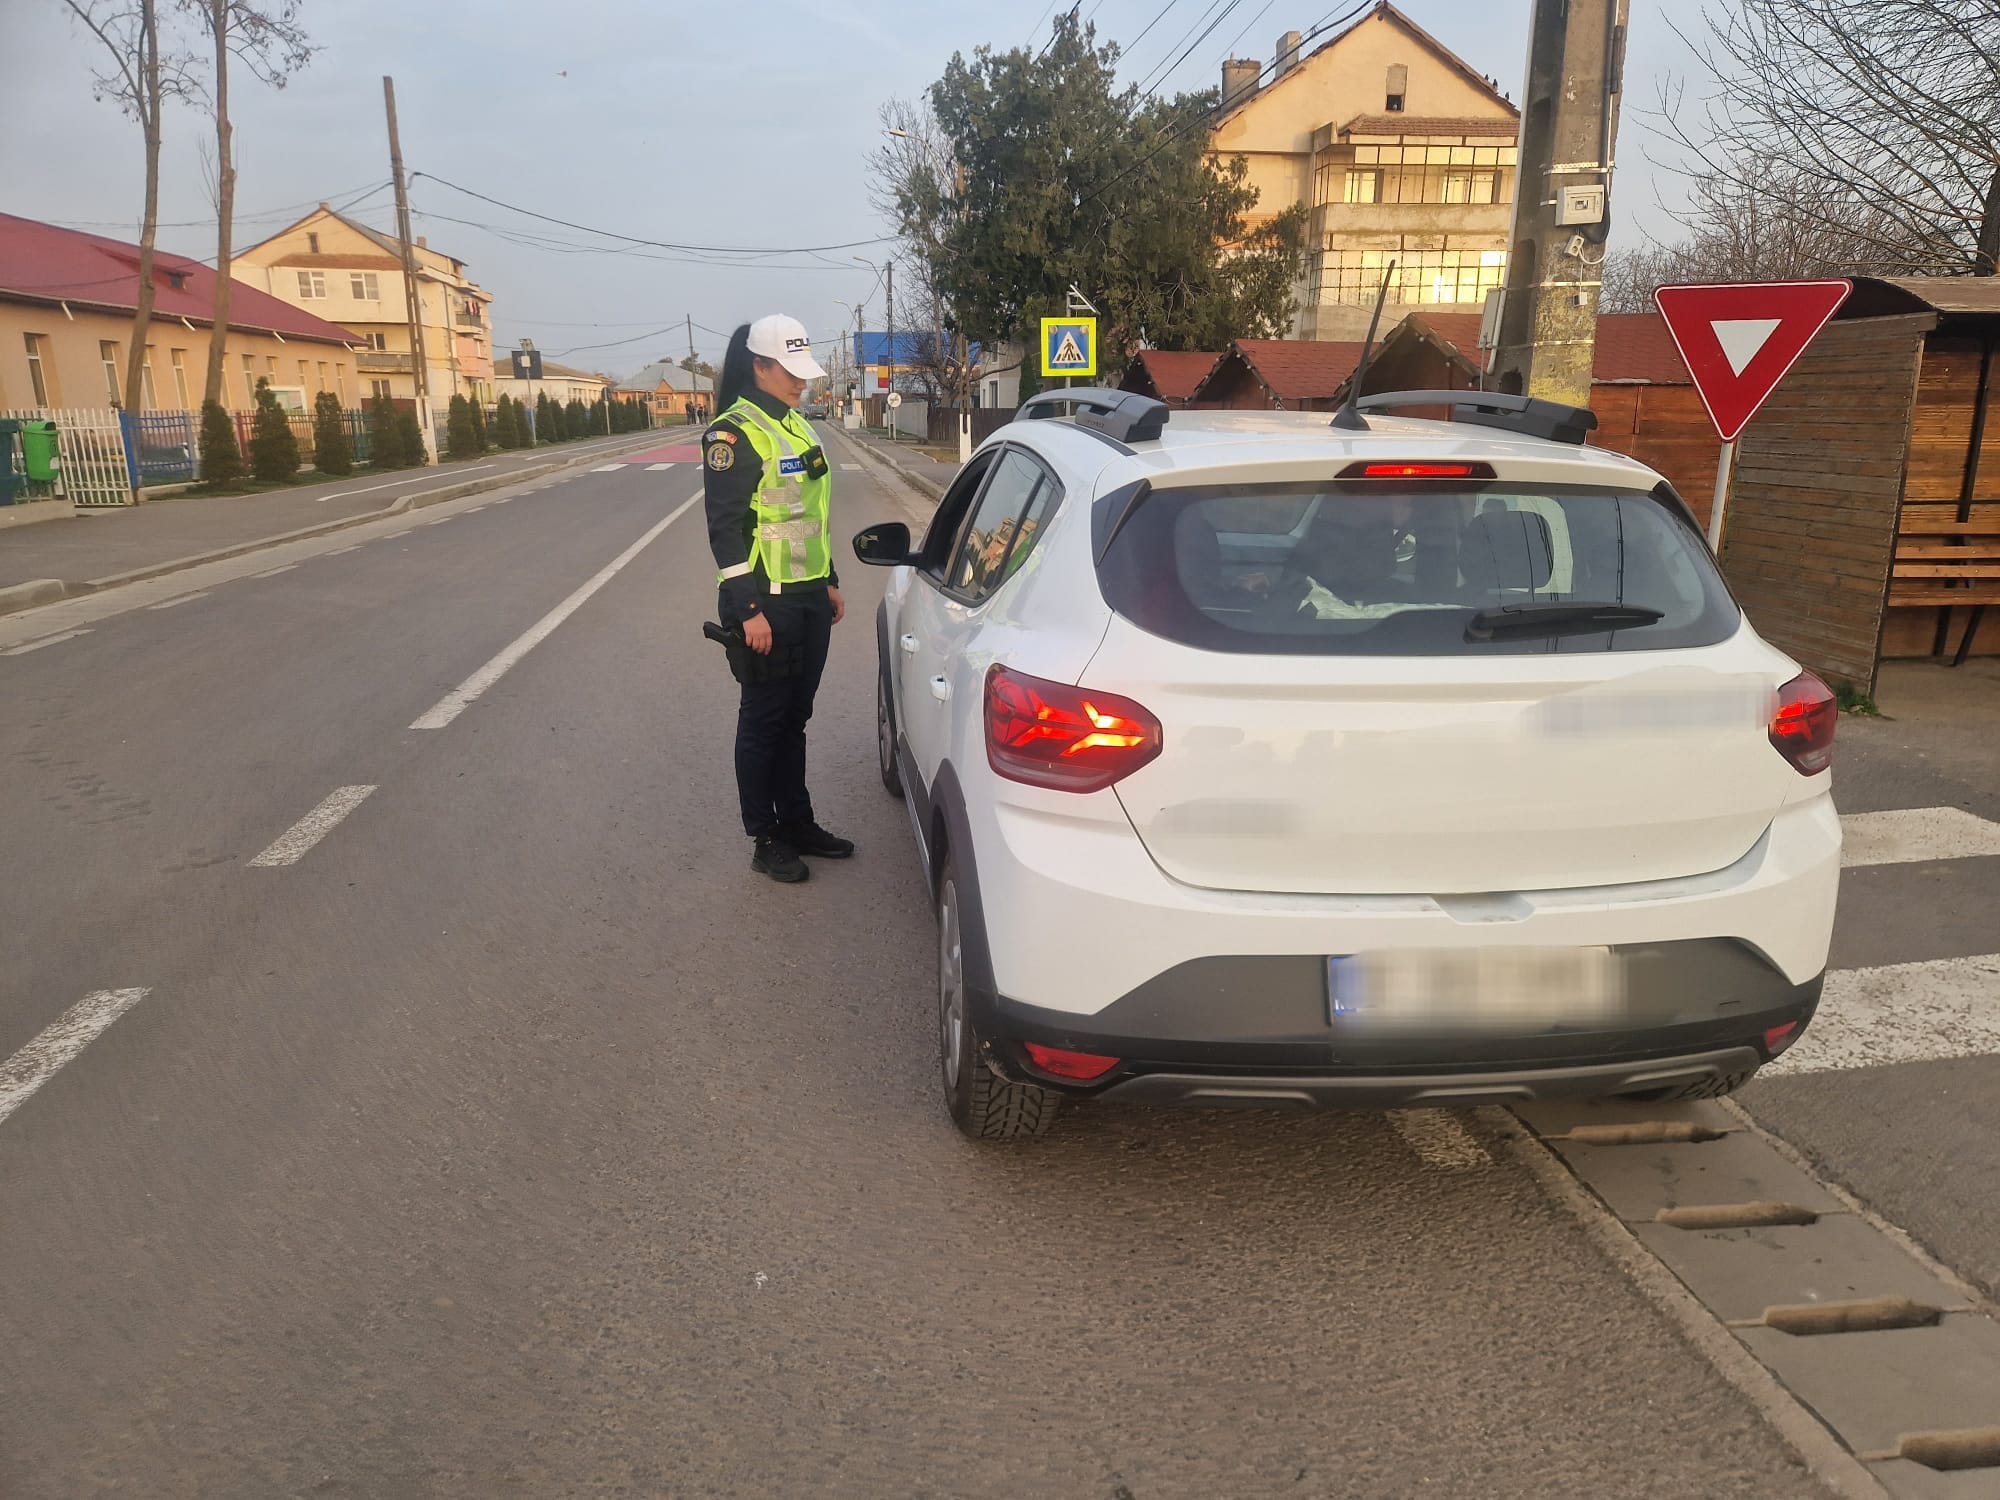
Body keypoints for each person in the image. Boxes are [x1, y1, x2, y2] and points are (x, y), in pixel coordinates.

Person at [704, 315, 852, 883]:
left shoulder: (797, 425)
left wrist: (830, 578)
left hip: (809, 597)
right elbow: (725, 530)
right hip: (764, 603)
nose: (801, 382)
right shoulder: (733, 433)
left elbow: (808, 514)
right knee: (763, 722)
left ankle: (798, 822)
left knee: (796, 718)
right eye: (790, 372)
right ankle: (765, 836)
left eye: (802, 372)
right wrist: (747, 611)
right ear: (758, 366)